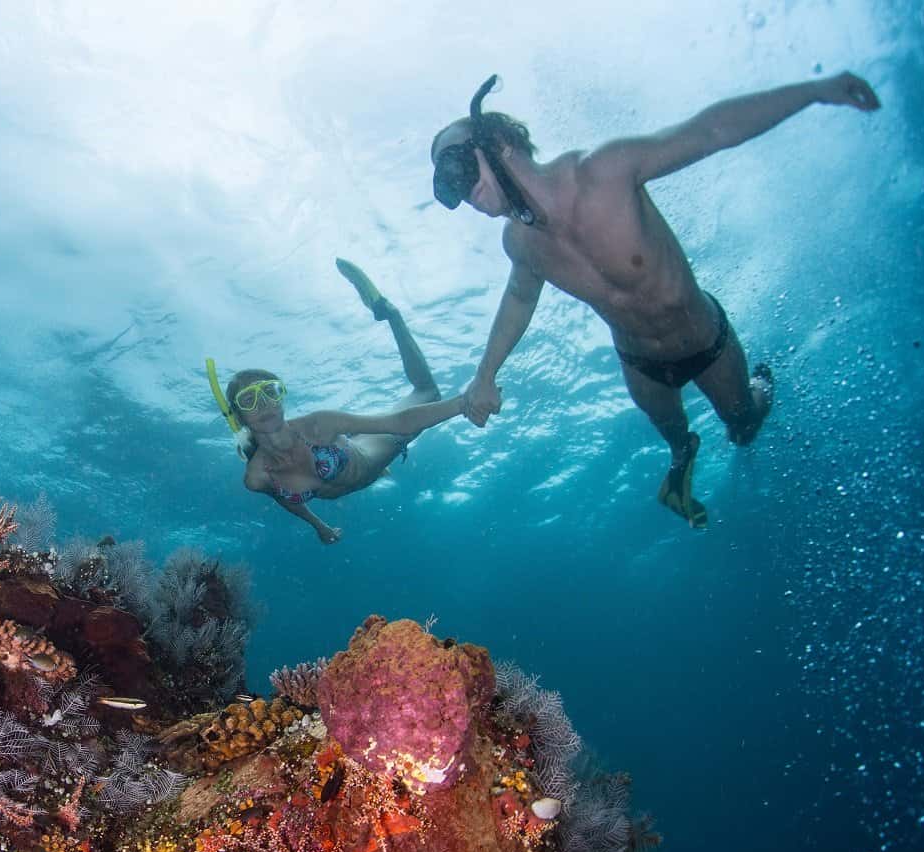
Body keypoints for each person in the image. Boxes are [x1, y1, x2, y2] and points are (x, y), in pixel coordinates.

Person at [431, 72, 881, 527]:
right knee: (677, 439)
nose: (455, 188)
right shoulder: (521, 245)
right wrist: (484, 375)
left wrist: (813, 92)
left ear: (501, 142)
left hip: (707, 343)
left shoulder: (602, 173)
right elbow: (518, 297)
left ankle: (761, 387)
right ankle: (681, 464)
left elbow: (711, 131)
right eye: (445, 183)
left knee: (743, 427)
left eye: (455, 165)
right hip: (640, 366)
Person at [221, 260, 466, 545]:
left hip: (373, 451)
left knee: (428, 392)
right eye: (248, 400)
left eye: (270, 392)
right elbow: (285, 500)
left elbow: (399, 423)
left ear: (282, 397)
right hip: (353, 464)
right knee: (423, 396)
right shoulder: (256, 476)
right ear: (238, 416)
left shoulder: (319, 425)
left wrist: (463, 403)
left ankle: (391, 314)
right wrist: (319, 526)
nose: (263, 404)